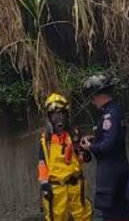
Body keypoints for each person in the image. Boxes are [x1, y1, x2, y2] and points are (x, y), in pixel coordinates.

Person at [77, 73, 129, 221]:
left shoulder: (110, 115)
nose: (93, 102)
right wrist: (95, 139)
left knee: (111, 214)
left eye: (93, 98)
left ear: (99, 95)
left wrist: (90, 147)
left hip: (112, 176)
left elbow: (108, 145)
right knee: (120, 214)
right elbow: (111, 138)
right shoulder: (113, 111)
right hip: (117, 172)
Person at [38, 92, 92, 221]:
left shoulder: (74, 135)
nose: (59, 118)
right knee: (56, 217)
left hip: (75, 184)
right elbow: (42, 163)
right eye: (55, 115)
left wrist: (85, 153)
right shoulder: (45, 140)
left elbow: (82, 158)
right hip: (56, 188)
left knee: (83, 215)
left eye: (62, 114)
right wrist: (44, 185)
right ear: (49, 117)